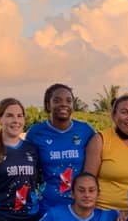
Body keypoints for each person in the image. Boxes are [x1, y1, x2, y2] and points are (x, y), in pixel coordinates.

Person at [25, 83, 96, 211]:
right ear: (48, 105)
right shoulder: (36, 132)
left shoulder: (85, 130)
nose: (64, 104)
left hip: (78, 207)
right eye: (57, 100)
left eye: (69, 101)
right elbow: (21, 157)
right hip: (46, 206)